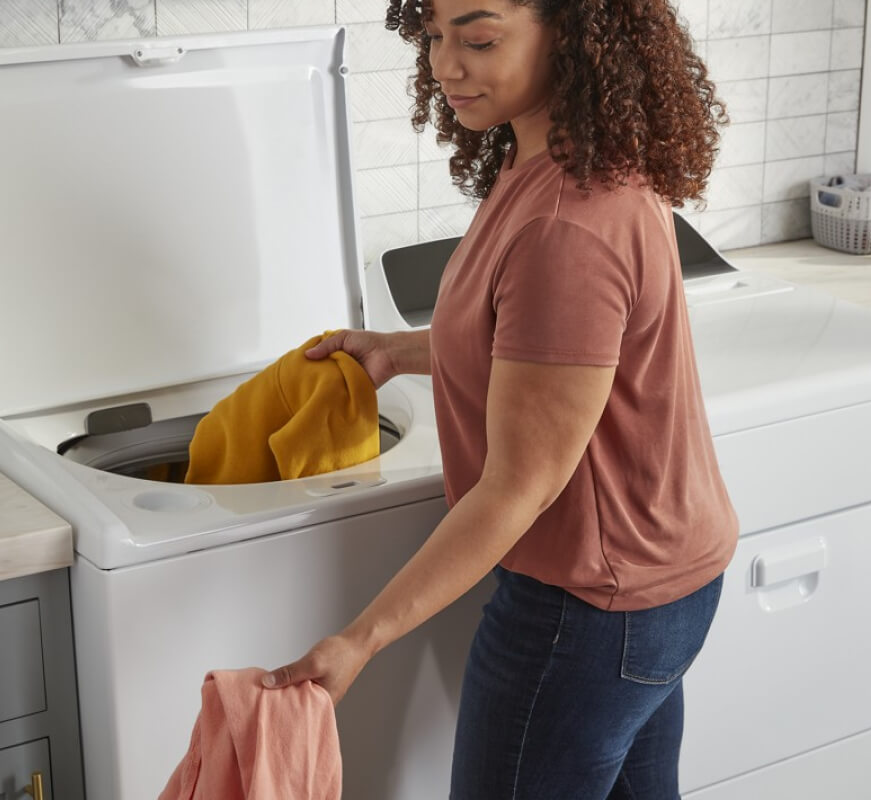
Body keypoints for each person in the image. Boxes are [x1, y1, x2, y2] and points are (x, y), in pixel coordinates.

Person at [263, 0, 737, 796]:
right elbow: (537, 349)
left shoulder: (566, 226)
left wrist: (359, 639)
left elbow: (521, 485)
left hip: (587, 612)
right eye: (436, 34)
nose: (447, 64)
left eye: (479, 38)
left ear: (575, 35)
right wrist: (398, 351)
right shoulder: (563, 162)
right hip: (661, 581)